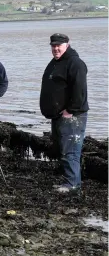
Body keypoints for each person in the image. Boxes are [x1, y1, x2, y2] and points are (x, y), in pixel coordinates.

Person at [40, 33, 88, 194]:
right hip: (58, 116)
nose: (55, 48)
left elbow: (80, 91)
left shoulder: (75, 63)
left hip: (73, 116)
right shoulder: (56, 62)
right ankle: (70, 180)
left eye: (59, 45)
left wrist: (71, 110)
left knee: (71, 151)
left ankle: (73, 184)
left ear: (67, 44)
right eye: (53, 45)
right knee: (63, 150)